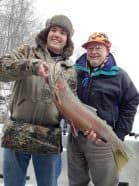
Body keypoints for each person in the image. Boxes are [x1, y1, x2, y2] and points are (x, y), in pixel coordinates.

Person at [0, 14, 76, 186]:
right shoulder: (27, 51)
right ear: (46, 33)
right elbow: (1, 68)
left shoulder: (70, 69)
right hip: (17, 131)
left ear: (67, 39)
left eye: (63, 32)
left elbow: (70, 107)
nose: (57, 34)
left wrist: (83, 125)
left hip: (49, 135)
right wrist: (31, 66)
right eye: (53, 30)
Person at [67, 32, 139, 186]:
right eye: (90, 48)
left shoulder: (119, 76)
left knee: (106, 183)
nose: (93, 52)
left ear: (108, 50)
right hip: (75, 138)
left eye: (98, 47)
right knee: (75, 182)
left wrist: (118, 134)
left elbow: (131, 101)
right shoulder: (74, 72)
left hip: (102, 140)